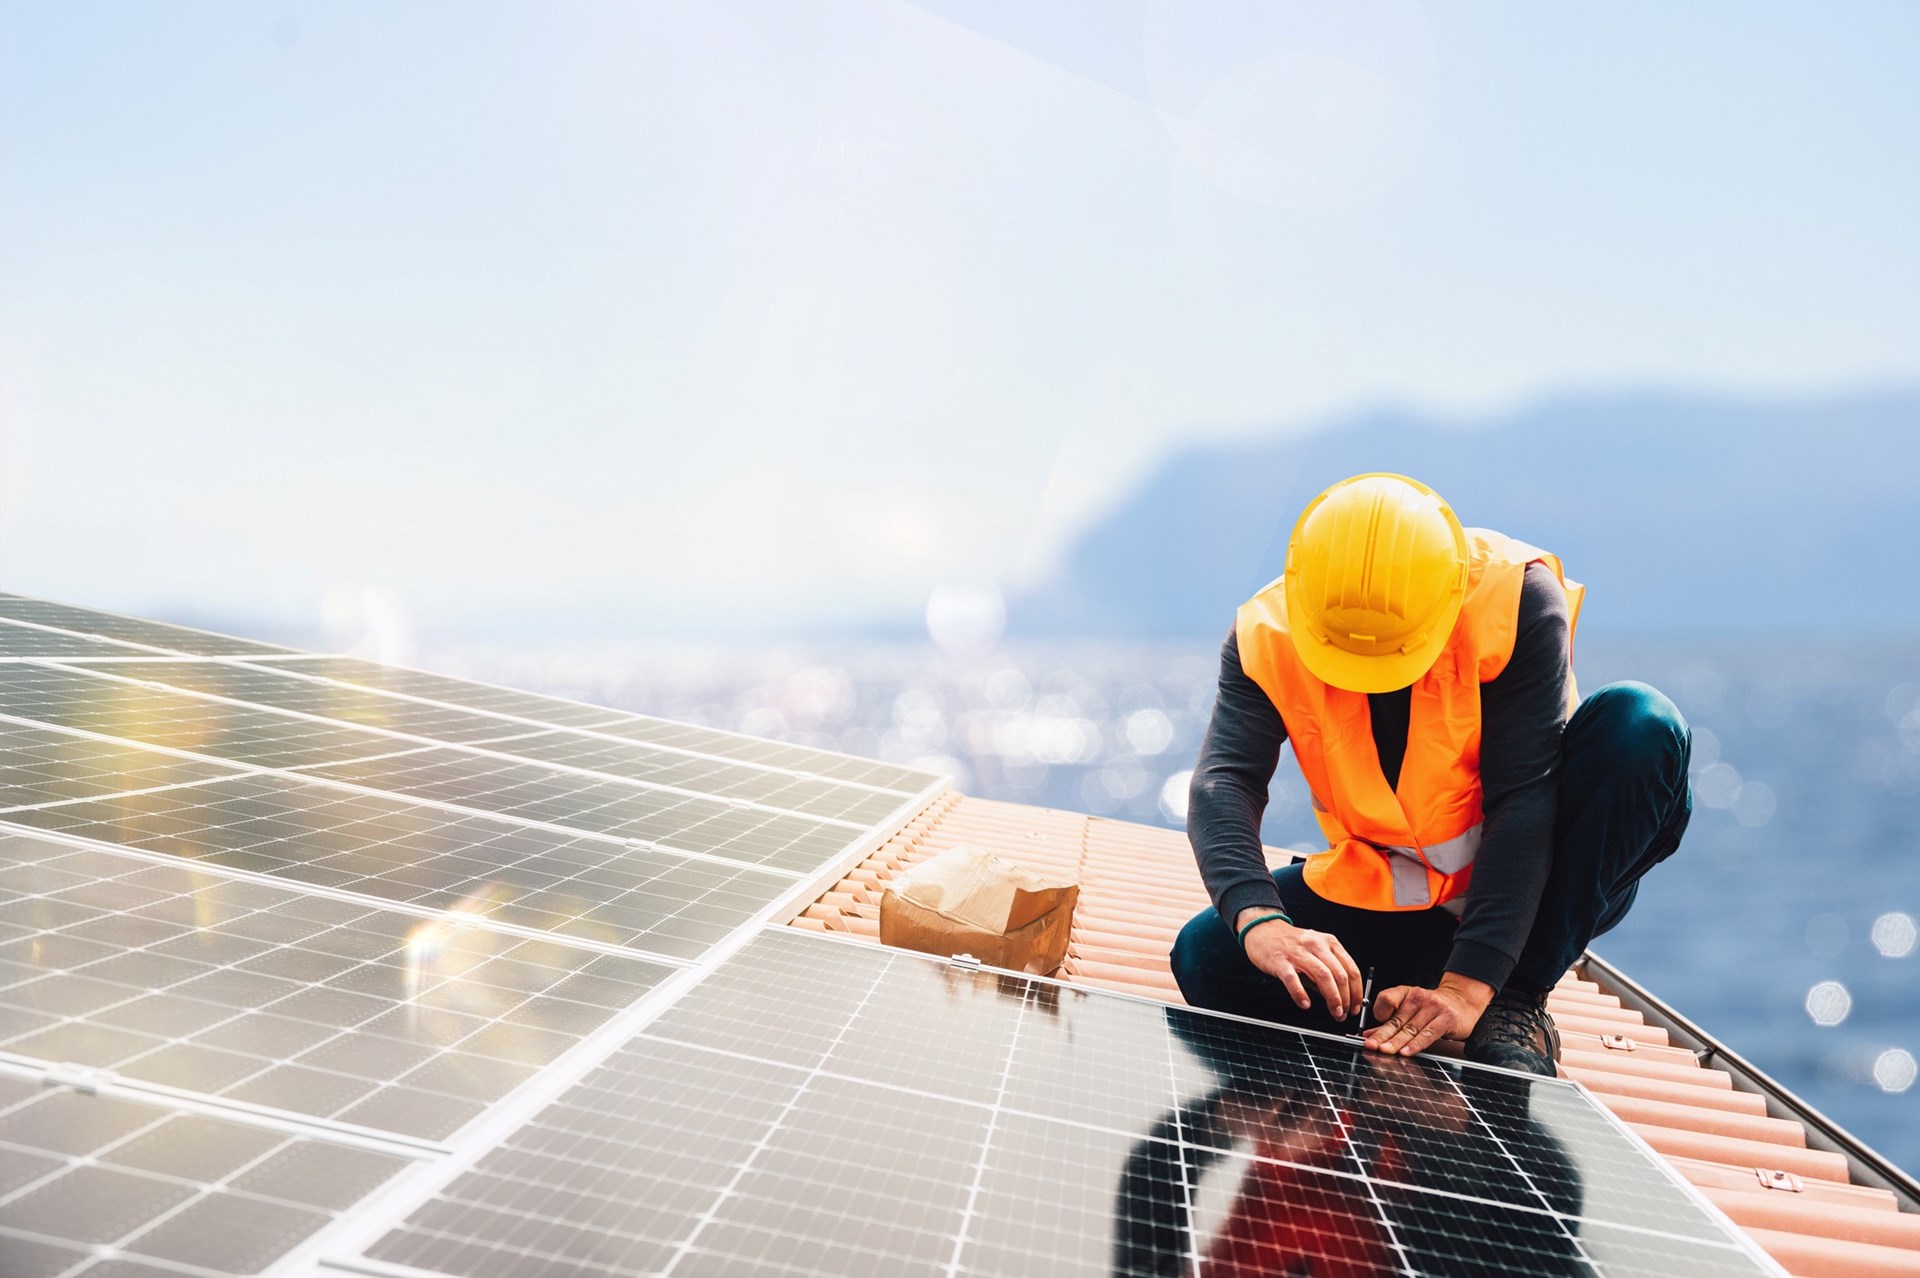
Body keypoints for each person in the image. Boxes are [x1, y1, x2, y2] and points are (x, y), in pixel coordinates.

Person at [1169, 472, 1693, 1076]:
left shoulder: (1515, 597)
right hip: (1398, 888)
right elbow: (1224, 783)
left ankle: (1518, 997)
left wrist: (1469, 988)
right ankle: (1404, 993)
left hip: (1546, 882)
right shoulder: (1266, 634)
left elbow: (1524, 801)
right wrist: (1262, 921)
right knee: (1207, 961)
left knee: (1640, 721)